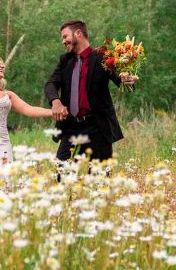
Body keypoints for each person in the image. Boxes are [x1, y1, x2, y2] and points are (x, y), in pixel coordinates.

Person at [44, 20, 133, 163]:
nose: (63, 41)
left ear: (78, 33)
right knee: (61, 176)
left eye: (65, 36)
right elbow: (51, 84)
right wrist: (55, 102)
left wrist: (128, 79)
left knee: (99, 180)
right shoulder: (65, 60)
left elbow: (121, 80)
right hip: (70, 127)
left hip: (97, 127)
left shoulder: (102, 57)